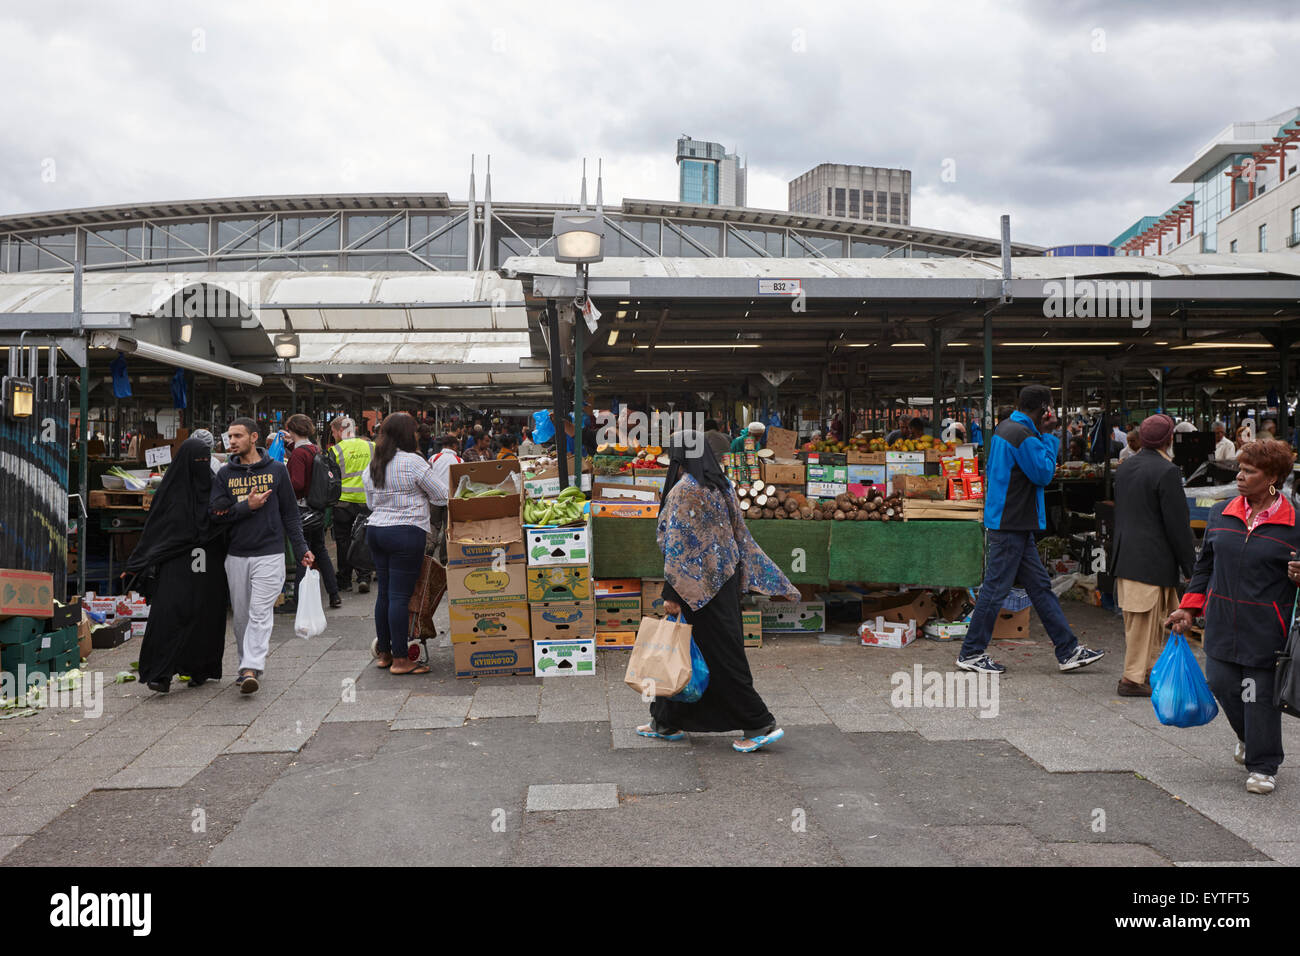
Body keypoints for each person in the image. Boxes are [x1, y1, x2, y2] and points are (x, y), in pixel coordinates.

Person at [637, 432, 800, 752]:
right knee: (683, 651)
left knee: (718, 658)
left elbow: (677, 548)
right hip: (722, 582)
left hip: (694, 588)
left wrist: (671, 593)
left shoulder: (684, 491)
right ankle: (665, 720)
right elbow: (739, 534)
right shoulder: (721, 484)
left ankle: (759, 722)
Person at [1165, 439, 1300, 796]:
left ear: (1272, 477)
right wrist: (1189, 608)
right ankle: (1248, 738)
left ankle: (1263, 764)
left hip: (1269, 627)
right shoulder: (1221, 512)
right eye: (1239, 469)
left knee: (1259, 697)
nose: (1239, 476)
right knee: (1223, 684)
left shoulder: (1295, 522)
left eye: (1249, 471)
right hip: (1223, 621)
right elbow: (1205, 565)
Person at [957, 385, 1105, 674]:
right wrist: (1049, 436)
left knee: (1040, 587)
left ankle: (1068, 649)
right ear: (1045, 409)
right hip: (1011, 523)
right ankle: (971, 652)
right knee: (996, 588)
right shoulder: (1024, 435)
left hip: (1011, 521)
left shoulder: (1007, 428)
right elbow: (1043, 474)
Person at [210, 418, 313, 695]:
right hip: (236, 554)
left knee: (260, 613)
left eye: (237, 436)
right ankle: (247, 664)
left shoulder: (277, 471)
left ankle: (250, 668)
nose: (231, 441)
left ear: (253, 437)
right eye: (229, 436)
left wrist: (302, 548)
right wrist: (246, 506)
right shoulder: (224, 475)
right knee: (241, 617)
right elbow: (216, 515)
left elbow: (290, 514)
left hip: (269, 553)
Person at [125, 435, 229, 694]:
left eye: (205, 460)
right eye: (198, 460)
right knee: (170, 613)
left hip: (209, 563)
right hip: (177, 563)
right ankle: (160, 673)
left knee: (206, 614)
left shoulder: (214, 486)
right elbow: (155, 532)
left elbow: (224, 519)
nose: (202, 465)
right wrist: (138, 562)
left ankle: (199, 669)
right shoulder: (170, 493)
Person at [1110, 415, 1196, 697]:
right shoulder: (1167, 471)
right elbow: (1177, 525)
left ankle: (1146, 672)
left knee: (1142, 623)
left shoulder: (1125, 467)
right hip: (1152, 559)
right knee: (1146, 624)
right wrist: (1191, 567)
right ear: (1169, 439)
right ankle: (1132, 679)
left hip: (1127, 557)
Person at [365, 412, 441, 675]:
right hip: (406, 532)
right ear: (409, 434)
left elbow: (370, 502)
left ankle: (384, 653)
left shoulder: (374, 462)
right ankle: (400, 659)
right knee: (399, 596)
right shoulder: (413, 462)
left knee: (384, 593)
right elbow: (441, 495)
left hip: (376, 530)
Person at [284, 414, 342, 611]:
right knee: (320, 550)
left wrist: (284, 488)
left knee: (303, 553)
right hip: (317, 509)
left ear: (292, 430)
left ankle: (298, 600)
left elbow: (298, 482)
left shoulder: (299, 454)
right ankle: (334, 594)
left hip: (302, 508)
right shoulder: (314, 449)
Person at [330, 417, 374, 595]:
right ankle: (364, 576)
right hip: (367, 501)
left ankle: (345, 580)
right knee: (364, 539)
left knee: (343, 541)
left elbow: (331, 478)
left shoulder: (335, 450)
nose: (333, 436)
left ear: (340, 430)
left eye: (333, 432)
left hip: (343, 502)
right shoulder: (372, 447)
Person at [427, 435, 462, 565]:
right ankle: (444, 558)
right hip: (450, 500)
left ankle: (429, 550)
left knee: (433, 527)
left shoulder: (433, 458)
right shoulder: (459, 460)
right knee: (448, 529)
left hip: (434, 499)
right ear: (454, 446)